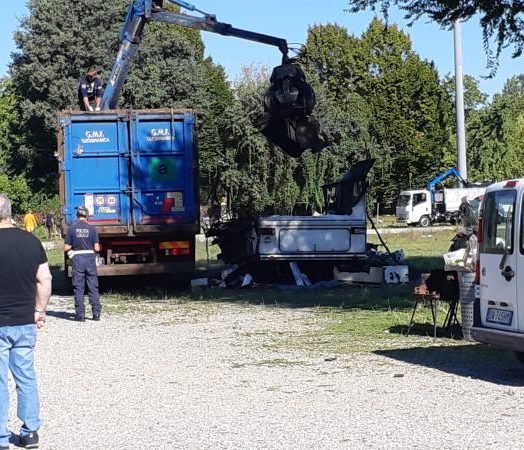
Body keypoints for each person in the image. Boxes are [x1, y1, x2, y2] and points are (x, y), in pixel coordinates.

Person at [0, 194, 52, 449]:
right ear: (10, 212)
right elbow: (45, 279)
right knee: (26, 376)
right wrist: (39, 310)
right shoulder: (31, 241)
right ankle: (30, 431)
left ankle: (1, 436)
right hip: (24, 320)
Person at [64, 206, 101, 321]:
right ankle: (96, 313)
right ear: (87, 216)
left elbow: (66, 247)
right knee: (93, 286)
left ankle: (80, 315)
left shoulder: (72, 229)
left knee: (79, 287)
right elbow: (97, 248)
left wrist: (72, 249)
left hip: (78, 259)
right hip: (90, 259)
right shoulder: (92, 228)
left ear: (77, 216)